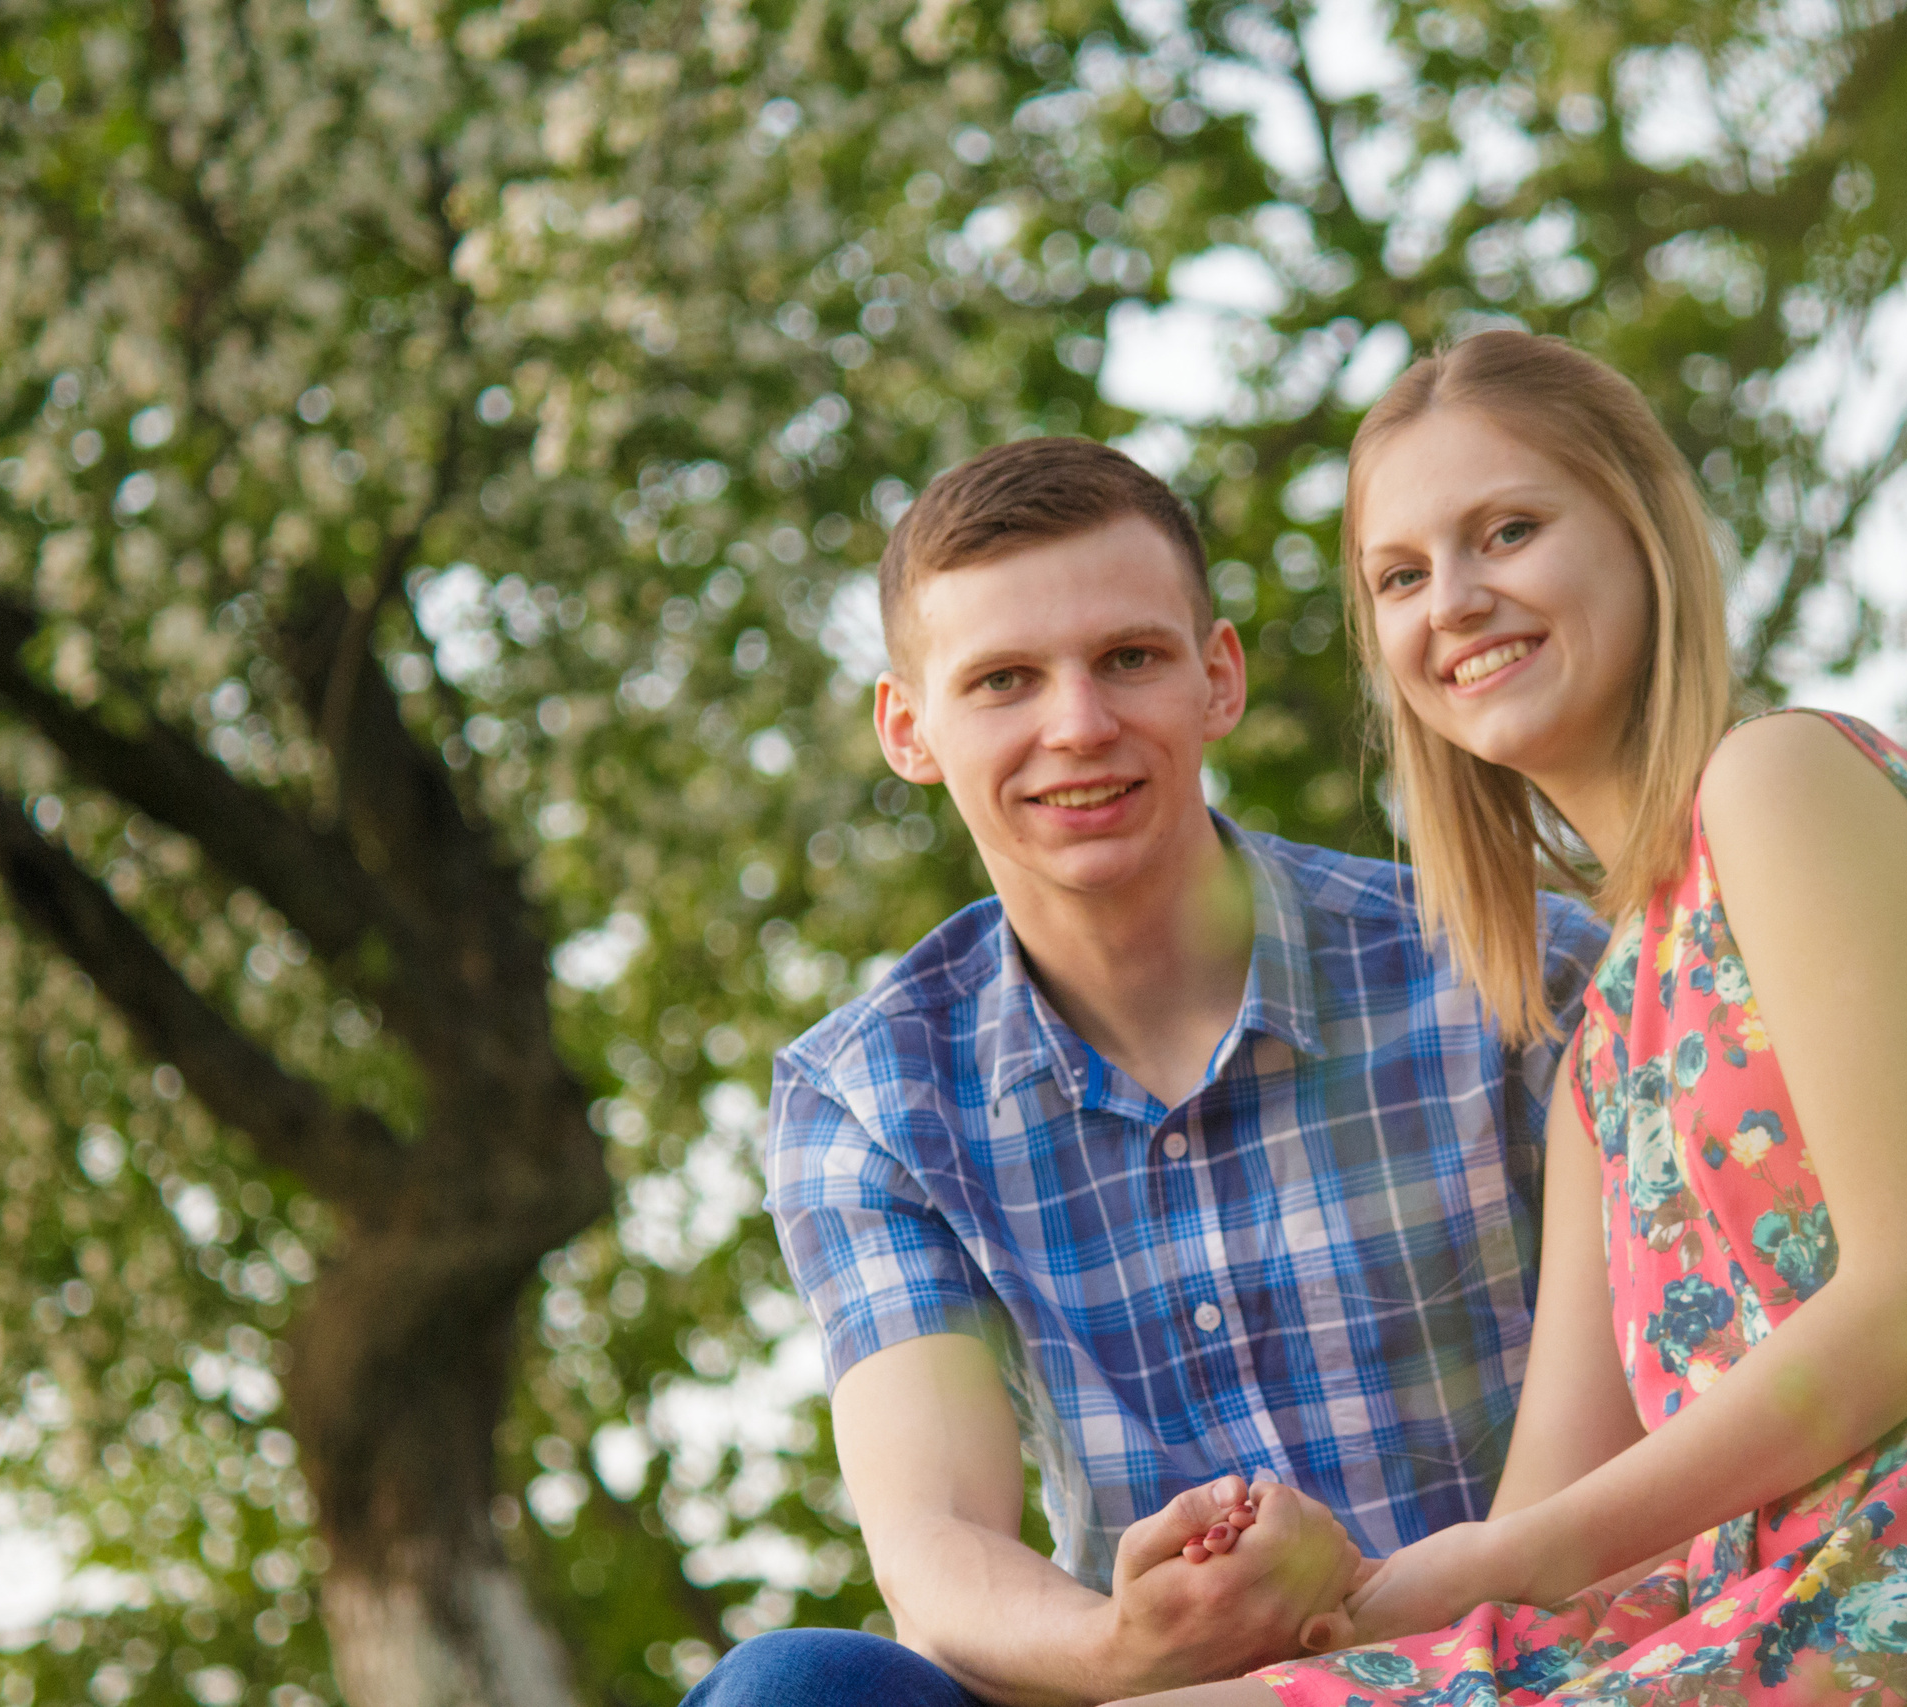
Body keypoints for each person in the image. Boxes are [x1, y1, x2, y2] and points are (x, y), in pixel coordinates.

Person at [1112, 331, 1907, 1707]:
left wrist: (1511, 1556)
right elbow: (1545, 1521)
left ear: (1642, 531)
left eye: (1507, 531)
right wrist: (1341, 1599)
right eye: (1400, 575)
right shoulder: (1599, 1046)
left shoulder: (1782, 782)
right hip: (1762, 1591)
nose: (1454, 600)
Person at [684, 437, 1608, 1707]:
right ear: (908, 728)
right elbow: (933, 1541)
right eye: (1003, 680)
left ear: (1216, 677)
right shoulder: (869, 1097)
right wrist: (1124, 1651)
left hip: (1527, 1661)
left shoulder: (1517, 970)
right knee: (794, 1688)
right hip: (1146, 1694)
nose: (1077, 726)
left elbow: (1630, 1450)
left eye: (1128, 659)